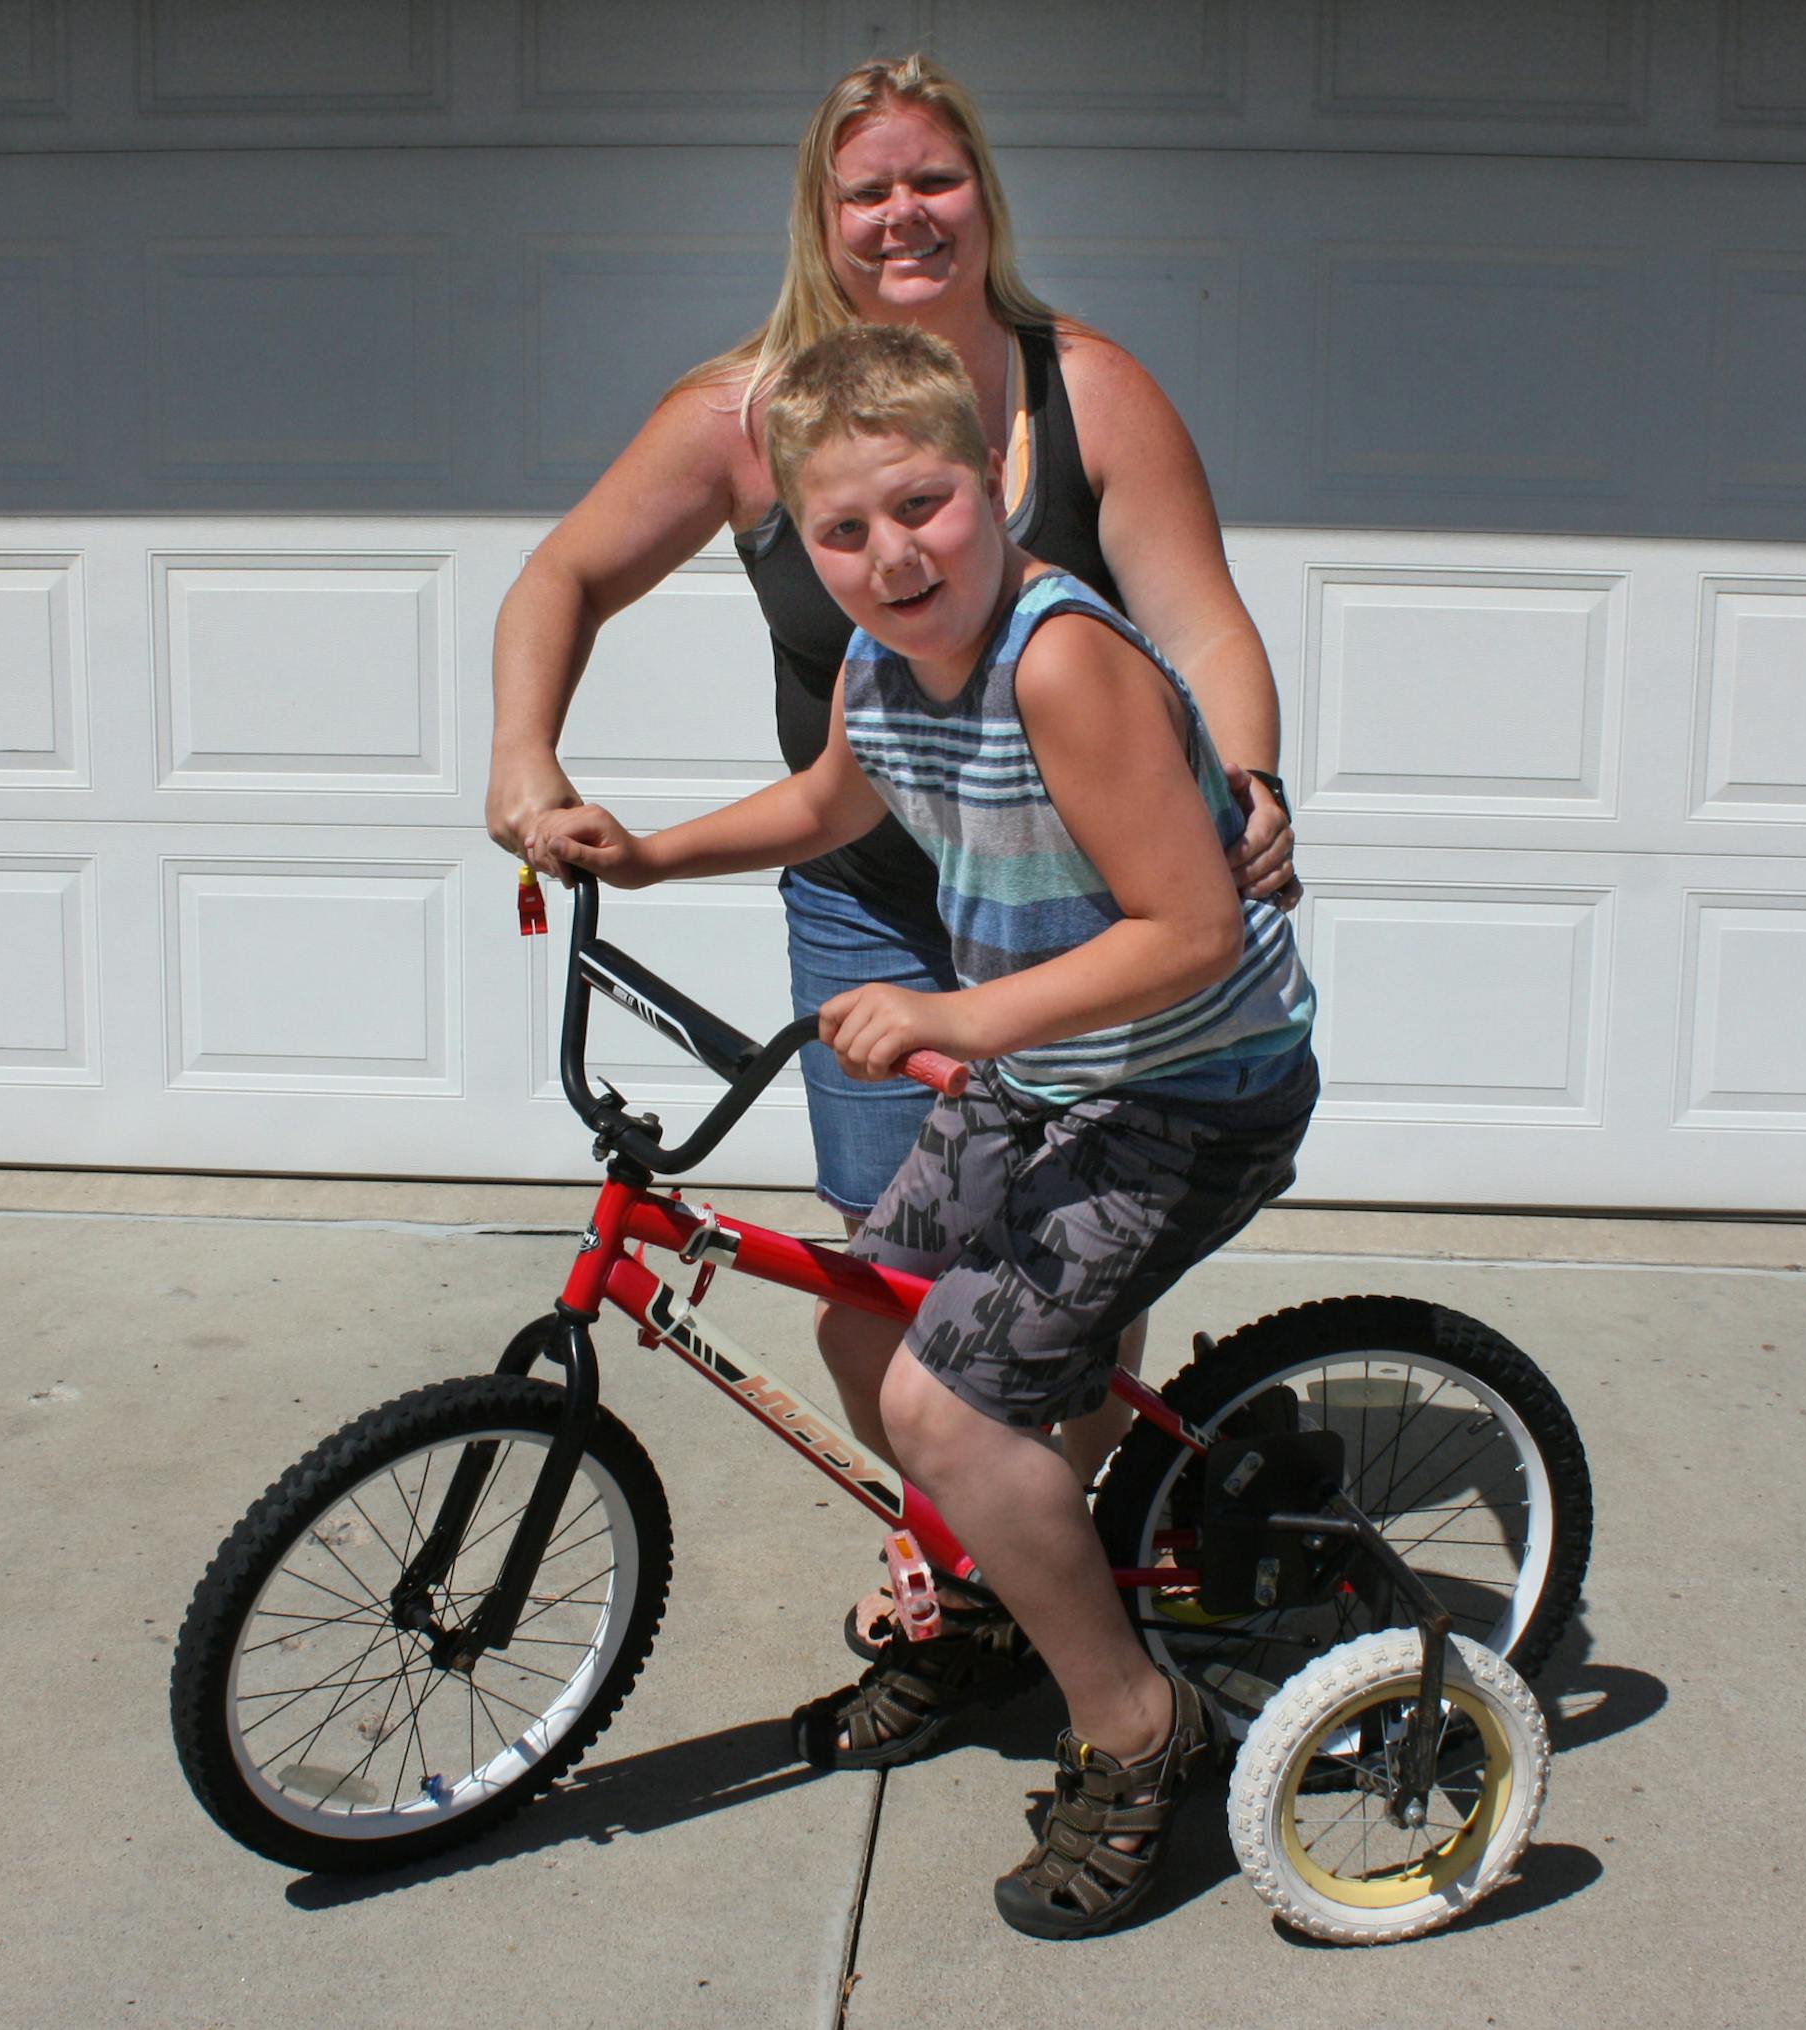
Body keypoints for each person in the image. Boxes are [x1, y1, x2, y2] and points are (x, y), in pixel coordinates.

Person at [530, 323, 1317, 1939]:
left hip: (1187, 1085)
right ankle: (984, 1606)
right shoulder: (890, 663)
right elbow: (837, 797)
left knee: (951, 1412)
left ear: (993, 479)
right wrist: (655, 856)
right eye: (844, 530)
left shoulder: (1056, 658)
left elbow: (1191, 932)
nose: (894, 553)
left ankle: (1135, 1727)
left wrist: (955, 1019)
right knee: (858, 1320)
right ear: (805, 544)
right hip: (1053, 1067)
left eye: (927, 503)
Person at [490, 56, 1301, 1601]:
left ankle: (1033, 1558)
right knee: (889, 1267)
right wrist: (528, 764)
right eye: (865, 190)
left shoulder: (1086, 392)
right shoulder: (747, 414)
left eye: (935, 178)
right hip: (873, 891)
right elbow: (562, 578)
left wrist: (1248, 784)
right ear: (821, 218)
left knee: (1060, 1257)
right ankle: (963, 1534)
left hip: (1084, 903)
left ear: (984, 194)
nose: (903, 215)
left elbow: (1203, 626)